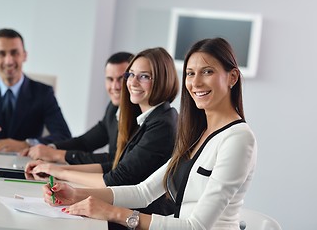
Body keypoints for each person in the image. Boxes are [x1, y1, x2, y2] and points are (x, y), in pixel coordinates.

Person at [42, 38, 258, 230]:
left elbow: (197, 226)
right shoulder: (196, 134)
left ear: (232, 77)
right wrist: (75, 194)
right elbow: (143, 192)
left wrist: (113, 213)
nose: (196, 82)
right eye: (190, 73)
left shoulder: (238, 139)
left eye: (207, 72)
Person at [28, 47, 179, 216]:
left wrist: (60, 172)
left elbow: (117, 178)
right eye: (131, 75)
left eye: (144, 76)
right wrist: (56, 170)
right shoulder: (150, 118)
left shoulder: (162, 124)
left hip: (143, 216)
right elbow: (116, 165)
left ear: (163, 79)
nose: (132, 82)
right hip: (129, 208)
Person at [0, 28, 71, 152]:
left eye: (14, 53)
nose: (9, 61)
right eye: (2, 54)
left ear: (24, 56)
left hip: (26, 164)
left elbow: (64, 136)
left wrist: (27, 144)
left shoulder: (43, 93)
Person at [20, 52, 134, 165]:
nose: (115, 86)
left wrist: (58, 155)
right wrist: (49, 148)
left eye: (121, 79)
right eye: (110, 79)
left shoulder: (139, 116)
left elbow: (117, 161)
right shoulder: (113, 108)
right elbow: (85, 142)